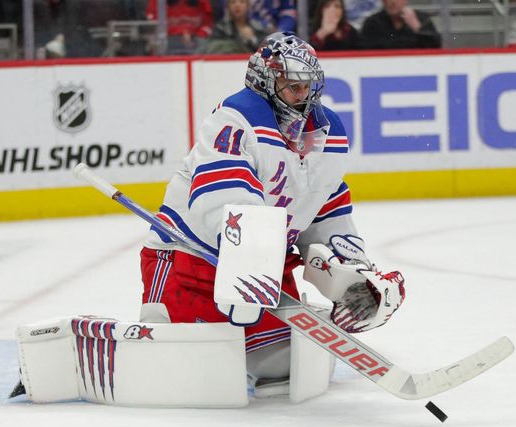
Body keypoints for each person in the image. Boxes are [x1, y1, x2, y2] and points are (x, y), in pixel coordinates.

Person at [139, 32, 406, 395]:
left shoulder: (326, 134)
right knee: (184, 372)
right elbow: (224, 201)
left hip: (266, 276)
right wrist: (249, 260)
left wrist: (355, 277)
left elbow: (325, 209)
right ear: (264, 80)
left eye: (308, 87)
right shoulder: (237, 119)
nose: (303, 96)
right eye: (292, 86)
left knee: (287, 367)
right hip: (192, 263)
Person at [360, 0, 441, 49]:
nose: (393, 2)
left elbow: (436, 47)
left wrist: (417, 28)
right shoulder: (372, 23)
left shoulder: (421, 19)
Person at [146, 0, 214, 54]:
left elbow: (208, 23)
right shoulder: (156, 2)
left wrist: (198, 34)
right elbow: (153, 22)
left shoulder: (203, 2)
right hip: (167, 39)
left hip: (196, 39)